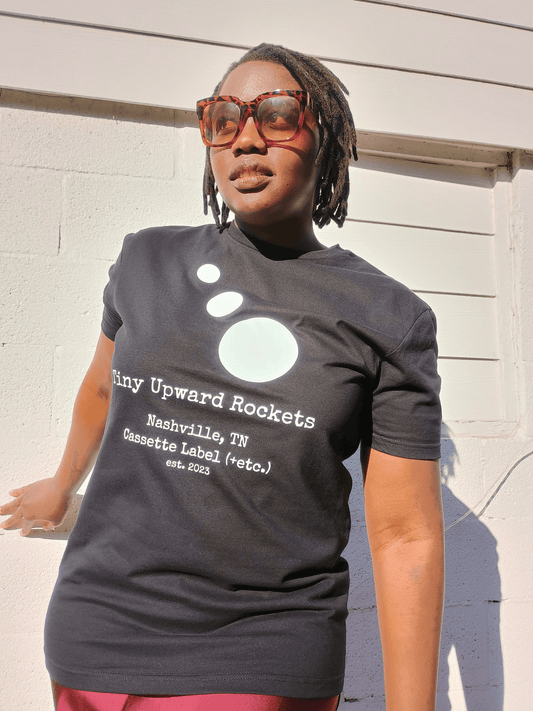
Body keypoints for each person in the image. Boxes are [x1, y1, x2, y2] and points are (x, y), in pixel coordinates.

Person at [0, 43, 444, 711]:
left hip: (260, 651)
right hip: (95, 629)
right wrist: (63, 484)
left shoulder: (386, 316)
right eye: (224, 119)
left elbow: (405, 534)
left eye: (277, 114)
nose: (246, 138)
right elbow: (102, 385)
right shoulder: (147, 258)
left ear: (323, 135)